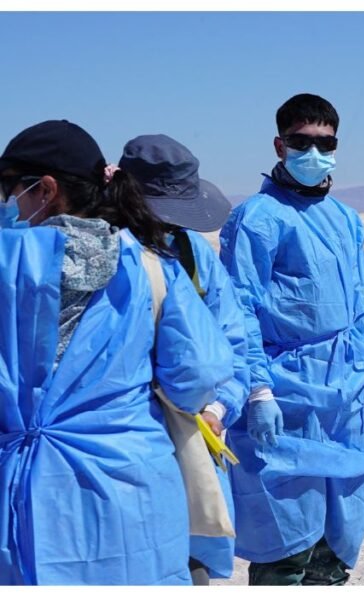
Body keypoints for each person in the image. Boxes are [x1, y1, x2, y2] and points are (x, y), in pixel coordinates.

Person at [0, 119, 233, 584]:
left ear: (44, 190)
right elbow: (196, 375)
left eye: (9, 190)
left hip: (27, 503)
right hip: (136, 495)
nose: (7, 203)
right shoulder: (150, 263)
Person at [219, 93, 364, 585]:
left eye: (324, 142)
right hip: (287, 392)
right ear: (280, 145)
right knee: (286, 541)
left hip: (343, 394)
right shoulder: (256, 218)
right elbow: (239, 311)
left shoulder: (345, 218)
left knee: (337, 539)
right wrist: (257, 390)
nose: (313, 152)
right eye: (302, 142)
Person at [118, 134, 250, 585]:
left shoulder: (196, 256)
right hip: (120, 450)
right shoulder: (104, 256)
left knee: (186, 561)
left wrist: (218, 408)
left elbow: (235, 344)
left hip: (189, 442)